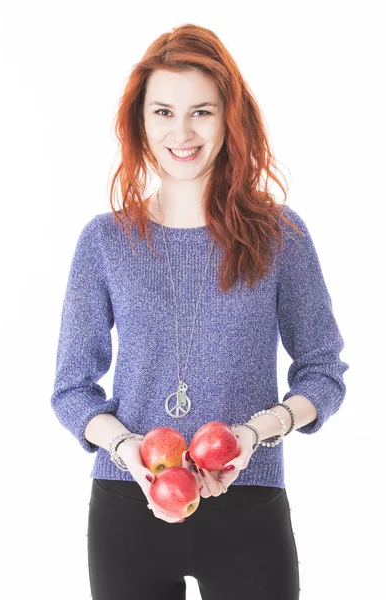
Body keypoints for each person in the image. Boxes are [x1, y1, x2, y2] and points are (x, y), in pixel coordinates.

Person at [50, 23, 349, 600]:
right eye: (163, 111)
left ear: (229, 118)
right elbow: (71, 390)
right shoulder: (104, 241)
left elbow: (323, 371)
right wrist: (127, 451)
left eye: (202, 112)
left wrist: (254, 434)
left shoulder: (279, 235)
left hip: (250, 507)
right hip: (127, 507)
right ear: (141, 121)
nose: (181, 132)